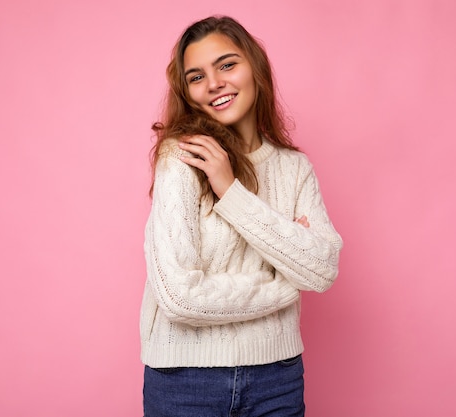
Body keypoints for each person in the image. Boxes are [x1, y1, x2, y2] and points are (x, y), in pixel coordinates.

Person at [140, 15, 343, 417]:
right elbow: (179, 296)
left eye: (227, 64)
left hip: (278, 379)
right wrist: (284, 285)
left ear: (255, 68)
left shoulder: (294, 168)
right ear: (187, 91)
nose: (214, 83)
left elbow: (322, 268)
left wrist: (230, 192)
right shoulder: (182, 158)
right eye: (196, 76)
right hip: (185, 380)